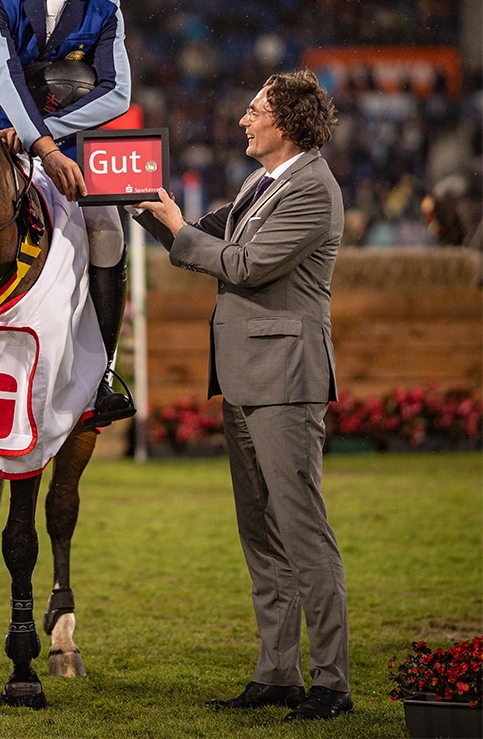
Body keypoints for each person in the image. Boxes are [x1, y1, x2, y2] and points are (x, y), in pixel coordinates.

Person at [132, 69, 352, 721]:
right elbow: (195, 236)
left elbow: (245, 265)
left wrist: (178, 226)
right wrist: (135, 200)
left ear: (285, 122)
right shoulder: (266, 184)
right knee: (261, 533)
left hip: (285, 383)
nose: (243, 120)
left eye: (254, 110)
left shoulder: (313, 189)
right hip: (247, 379)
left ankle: (333, 683)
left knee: (302, 532)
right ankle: (278, 672)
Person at [0, 0, 134, 426]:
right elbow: (3, 75)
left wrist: (45, 136)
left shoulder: (106, 8)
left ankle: (106, 374)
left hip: (61, 144)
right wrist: (33, 140)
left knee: (108, 229)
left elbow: (117, 95)